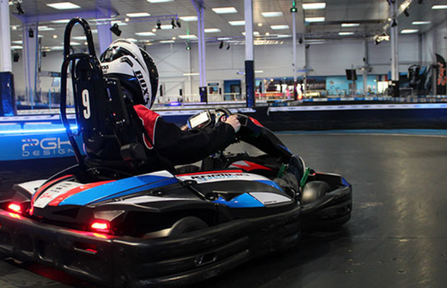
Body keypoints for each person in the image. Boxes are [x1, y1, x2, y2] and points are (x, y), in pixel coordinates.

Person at [96, 39, 308, 195]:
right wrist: (228, 128)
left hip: (130, 179)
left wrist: (191, 133)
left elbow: (166, 144)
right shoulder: (138, 113)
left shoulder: (100, 118)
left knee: (209, 166)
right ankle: (288, 185)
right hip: (157, 187)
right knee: (244, 178)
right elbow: (186, 148)